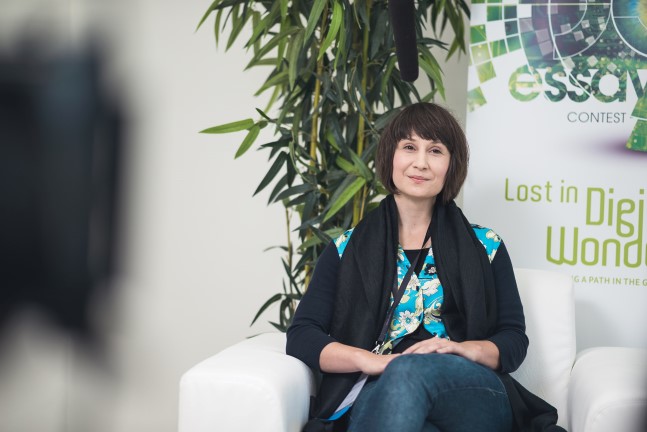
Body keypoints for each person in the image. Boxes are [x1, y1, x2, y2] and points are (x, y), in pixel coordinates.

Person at [286, 102, 564, 432]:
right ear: (390, 156)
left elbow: (513, 340)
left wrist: (463, 349)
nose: (420, 162)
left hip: (471, 388)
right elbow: (302, 336)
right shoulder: (346, 249)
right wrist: (371, 361)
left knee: (409, 372)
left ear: (451, 165)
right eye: (409, 147)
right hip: (377, 390)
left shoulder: (486, 246)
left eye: (435, 150)